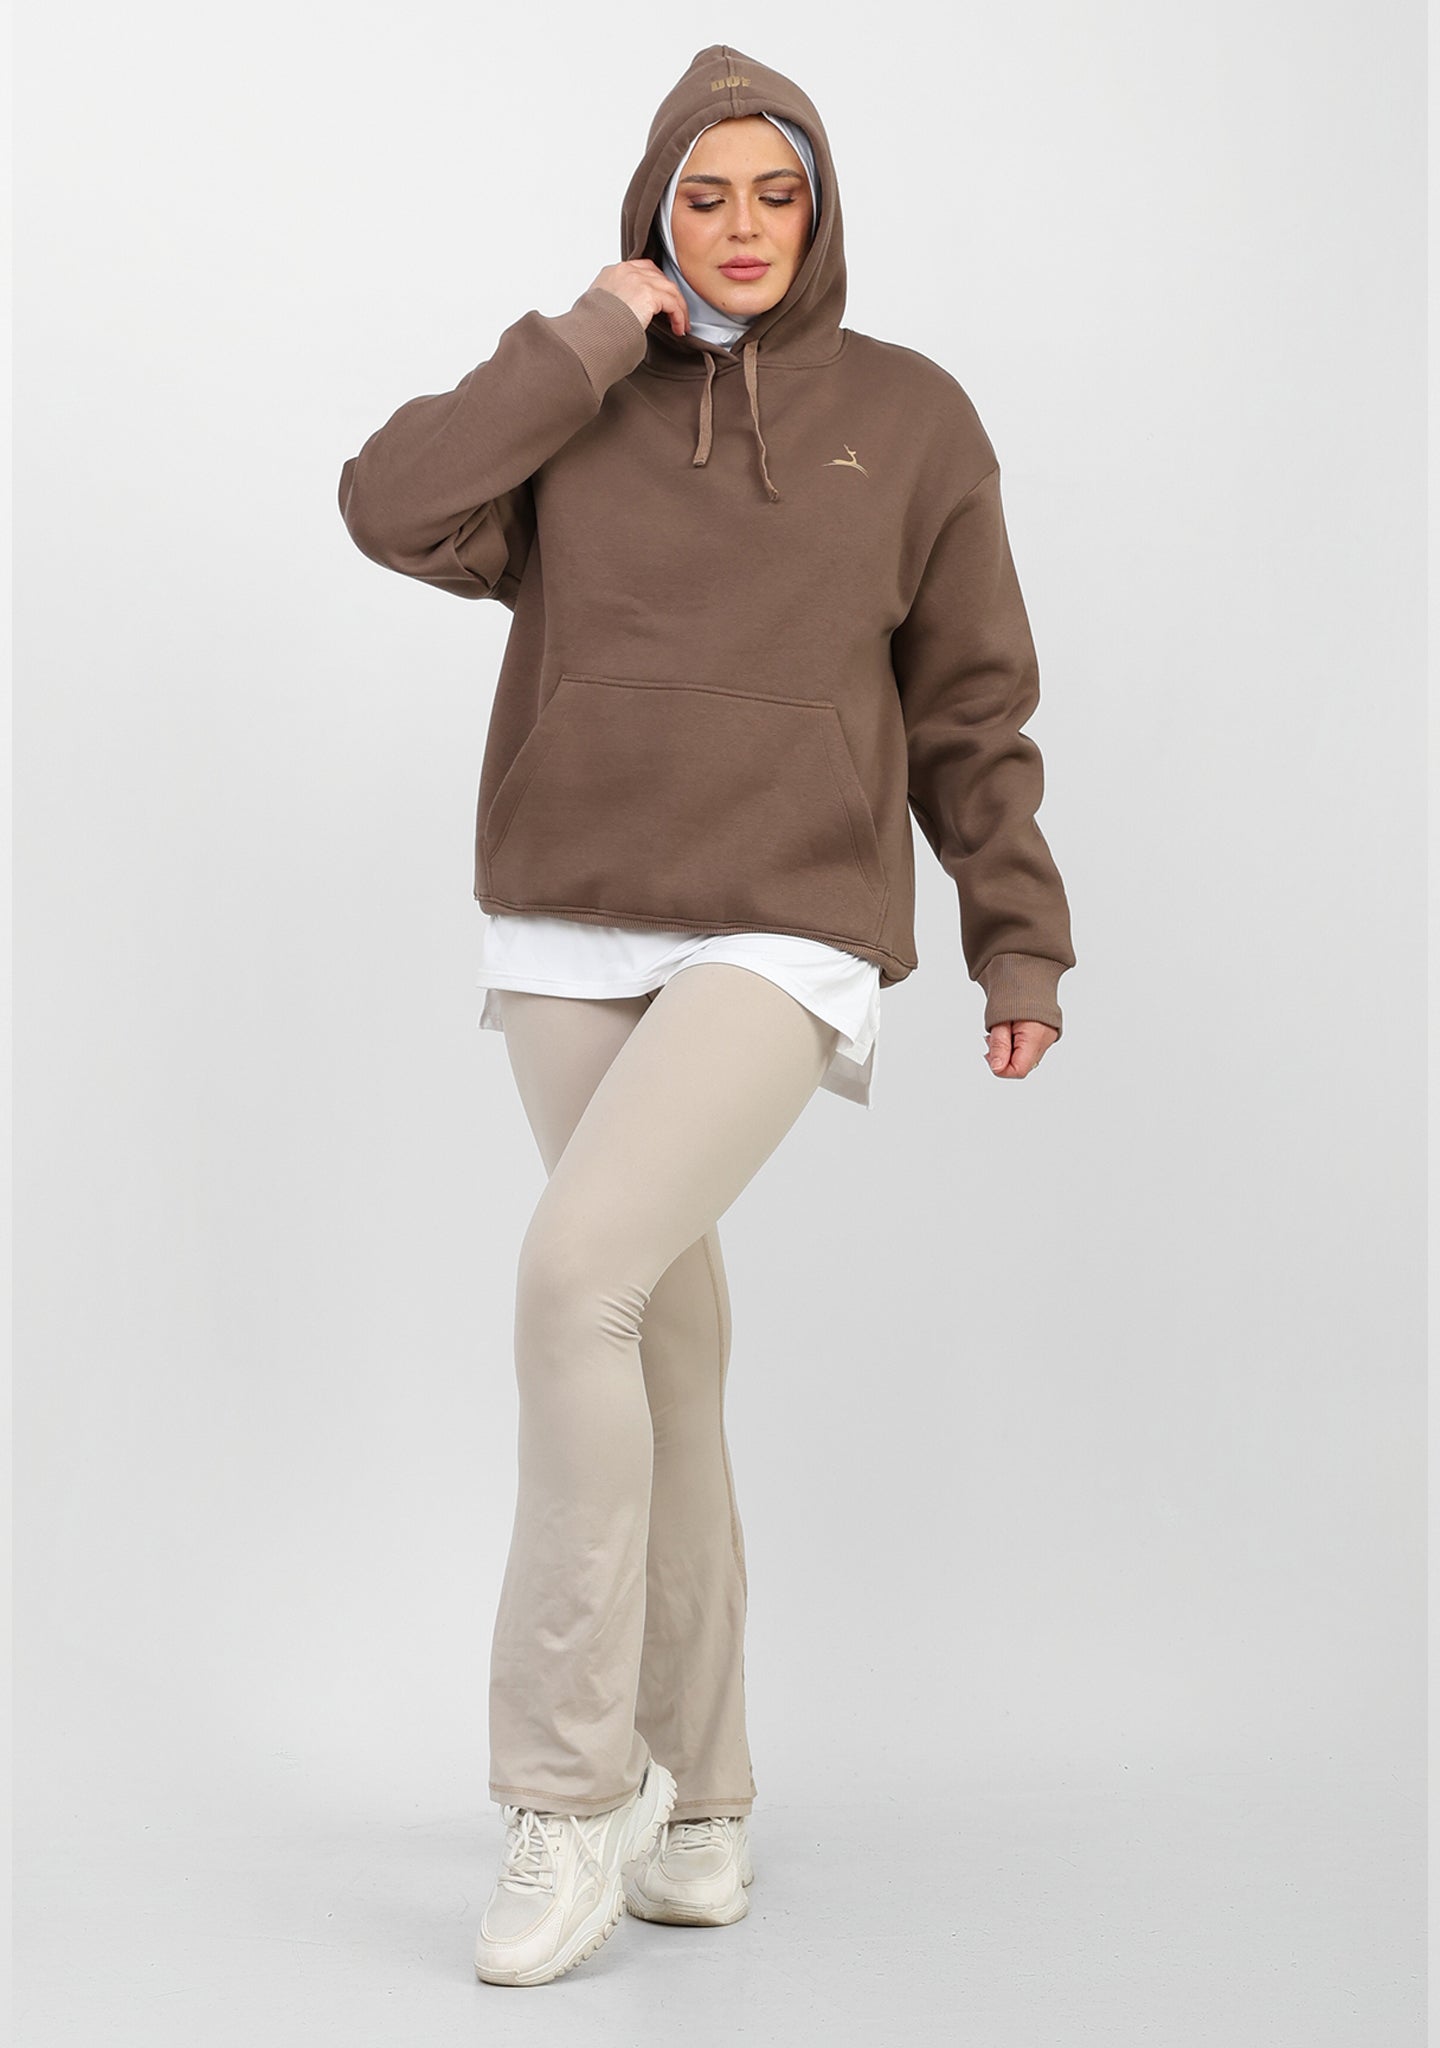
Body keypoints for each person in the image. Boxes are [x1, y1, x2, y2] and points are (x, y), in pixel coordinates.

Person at [337, 42, 1077, 1989]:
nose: (744, 227)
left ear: (820, 210)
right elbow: (389, 504)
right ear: (656, 212)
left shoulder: (911, 417)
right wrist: (588, 337)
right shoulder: (578, 407)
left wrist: (1015, 934)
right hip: (571, 920)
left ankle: (568, 1791)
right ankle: (707, 1796)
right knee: (662, 1348)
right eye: (705, 195)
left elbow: (971, 700)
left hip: (784, 920)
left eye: (778, 192)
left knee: (570, 1280)